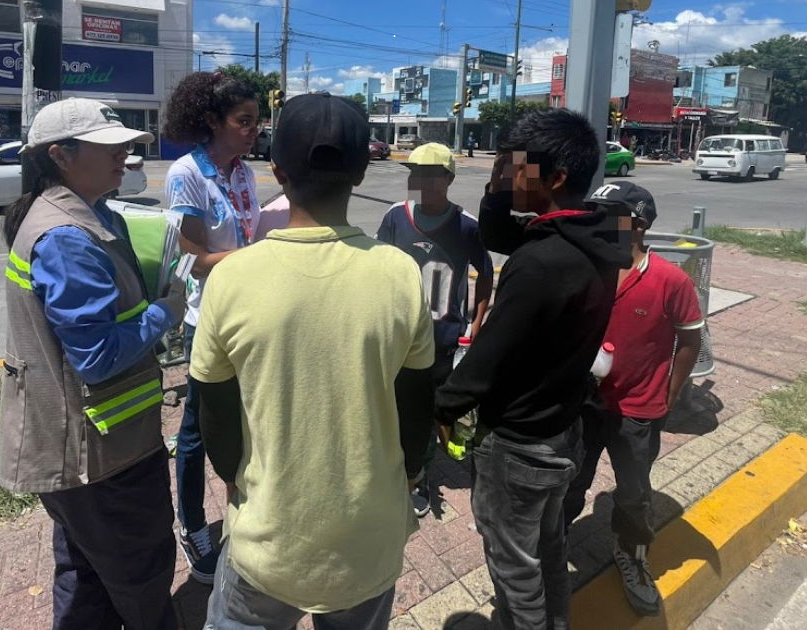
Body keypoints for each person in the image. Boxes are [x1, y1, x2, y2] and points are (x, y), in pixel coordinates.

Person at [194, 93, 435, 628]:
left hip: (266, 540)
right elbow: (417, 403)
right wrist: (411, 473)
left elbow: (214, 409)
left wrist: (232, 478)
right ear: (359, 172)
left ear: (276, 172)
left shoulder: (232, 277)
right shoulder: (399, 273)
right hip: (368, 539)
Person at [437, 109, 633, 630]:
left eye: (515, 168)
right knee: (548, 551)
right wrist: (501, 181)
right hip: (561, 425)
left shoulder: (543, 261)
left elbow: (488, 358)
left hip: (518, 442)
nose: (504, 176)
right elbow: (503, 233)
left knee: (514, 569)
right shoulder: (600, 234)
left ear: (557, 177)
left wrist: (444, 404)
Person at [0, 97, 186, 629]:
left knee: (84, 572)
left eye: (126, 145)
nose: (125, 155)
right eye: (109, 147)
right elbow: (97, 357)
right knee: (141, 577)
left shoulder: (86, 213)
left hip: (89, 449)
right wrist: (166, 311)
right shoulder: (65, 237)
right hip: (98, 456)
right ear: (60, 155)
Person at [562, 182, 703, 617]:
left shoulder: (670, 280)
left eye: (605, 214)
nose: (593, 221)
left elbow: (690, 339)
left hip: (638, 410)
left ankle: (632, 556)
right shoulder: (590, 267)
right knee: (569, 479)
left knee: (634, 493)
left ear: (636, 225)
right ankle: (553, 541)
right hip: (585, 405)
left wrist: (670, 391)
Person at [161, 70, 261, 584]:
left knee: (244, 420)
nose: (253, 130)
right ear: (212, 120)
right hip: (207, 320)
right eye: (244, 121)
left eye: (257, 121)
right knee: (197, 430)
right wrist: (259, 258)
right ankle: (194, 524)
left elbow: (247, 233)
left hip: (249, 312)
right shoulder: (186, 175)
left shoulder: (244, 172)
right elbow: (191, 261)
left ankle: (243, 507)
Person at [376, 142, 494, 517]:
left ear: (448, 179)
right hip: (397, 335)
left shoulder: (466, 226)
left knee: (427, 412)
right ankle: (392, 468)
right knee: (391, 406)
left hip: (441, 339)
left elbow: (486, 274)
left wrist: (476, 322)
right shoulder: (396, 217)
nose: (421, 182)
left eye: (430, 175)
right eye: (415, 174)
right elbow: (376, 269)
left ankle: (419, 472)